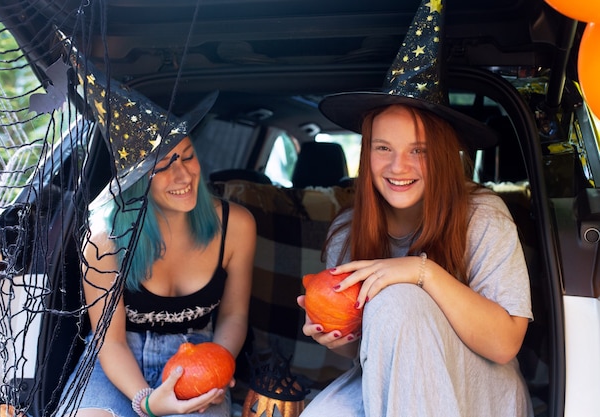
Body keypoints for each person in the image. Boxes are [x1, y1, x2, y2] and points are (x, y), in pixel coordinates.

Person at [296, 0, 533, 416]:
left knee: (399, 298)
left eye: (417, 151)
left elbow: (505, 344)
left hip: (481, 387)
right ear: (366, 154)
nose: (398, 167)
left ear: (441, 156)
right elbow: (379, 359)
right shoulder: (348, 230)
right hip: (404, 390)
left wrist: (420, 272)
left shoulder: (482, 215)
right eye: (383, 148)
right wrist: (341, 337)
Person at [58, 50, 256, 417]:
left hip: (199, 353)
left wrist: (218, 365)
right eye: (162, 166)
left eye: (187, 156)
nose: (183, 176)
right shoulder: (104, 240)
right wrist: (146, 402)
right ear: (134, 181)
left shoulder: (236, 225)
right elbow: (110, 341)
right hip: (118, 362)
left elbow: (233, 318)